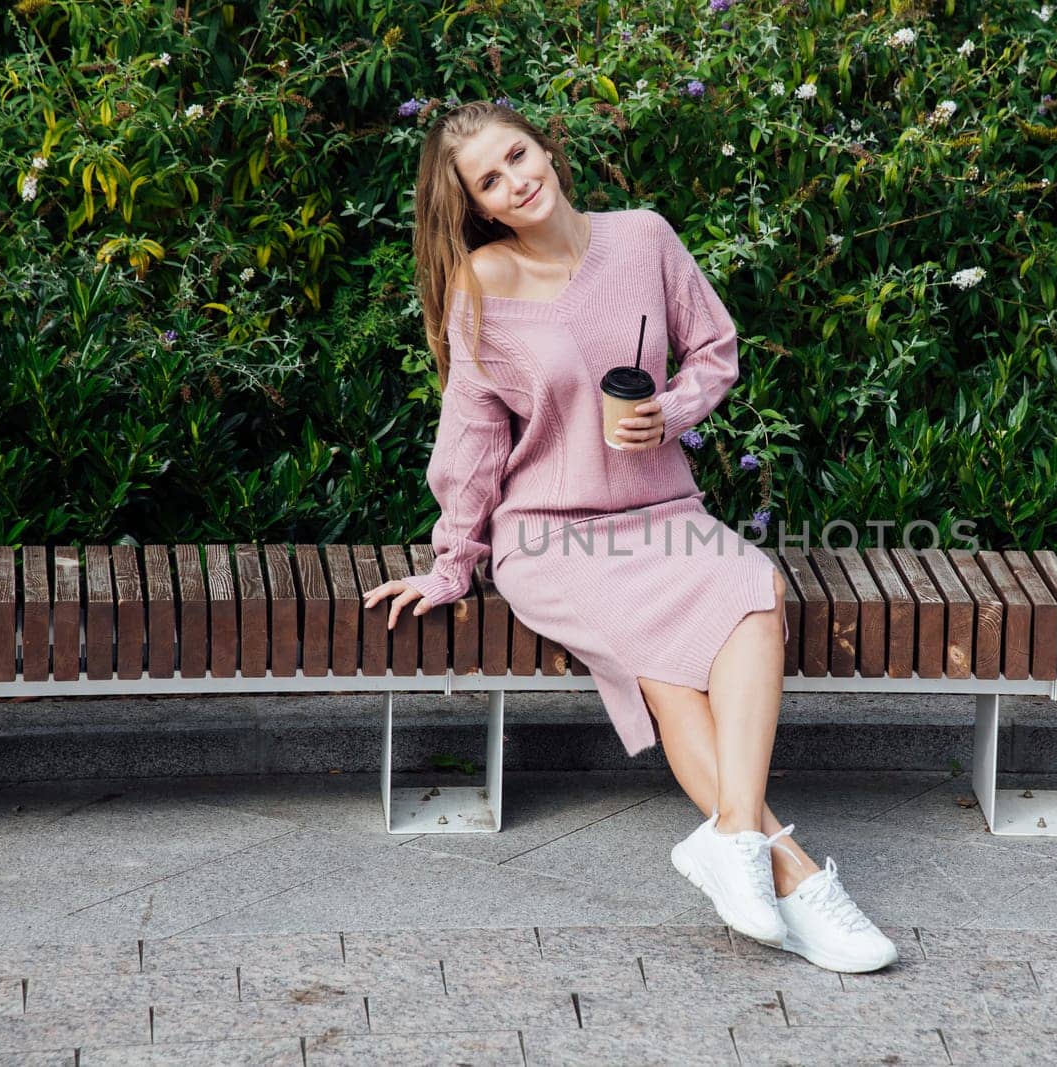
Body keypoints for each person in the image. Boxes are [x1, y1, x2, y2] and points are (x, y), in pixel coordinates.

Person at [359, 101, 897, 973]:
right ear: (480, 206)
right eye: (489, 181)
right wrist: (453, 561)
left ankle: (737, 844)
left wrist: (672, 411)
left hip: (662, 513)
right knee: (675, 684)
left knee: (755, 588)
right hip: (552, 538)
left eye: (517, 155)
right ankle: (789, 869)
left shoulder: (643, 238)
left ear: (545, 147)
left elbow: (715, 350)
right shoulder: (482, 285)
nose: (515, 180)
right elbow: (472, 436)